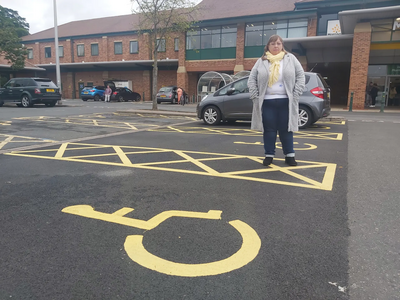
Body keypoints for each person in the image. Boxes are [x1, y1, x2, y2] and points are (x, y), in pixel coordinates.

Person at [248, 34, 305, 167]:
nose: (276, 46)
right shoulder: (261, 61)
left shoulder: (290, 59)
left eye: (278, 43)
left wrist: (296, 94)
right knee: (269, 130)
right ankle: (269, 155)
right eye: (273, 43)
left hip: (286, 101)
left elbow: (300, 76)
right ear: (268, 46)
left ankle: (290, 155)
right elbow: (251, 79)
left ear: (282, 46)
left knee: (286, 129)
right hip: (267, 101)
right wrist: (255, 96)